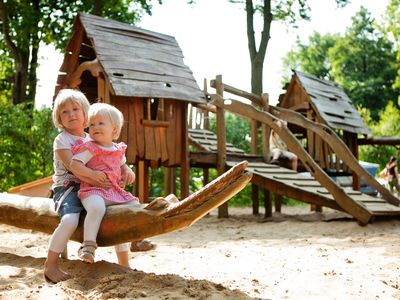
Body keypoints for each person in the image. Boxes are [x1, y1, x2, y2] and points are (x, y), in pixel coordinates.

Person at [44, 90, 153, 284]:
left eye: (76, 109)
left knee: (121, 216)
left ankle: (124, 262)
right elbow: (73, 166)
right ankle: (51, 264)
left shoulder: (92, 137)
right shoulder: (62, 140)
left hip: (95, 188)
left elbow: (113, 156)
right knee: (70, 220)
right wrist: (94, 176)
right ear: (59, 119)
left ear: (86, 114)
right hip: (68, 188)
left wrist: (123, 169)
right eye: (65, 112)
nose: (71, 114)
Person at [69, 102, 140, 265]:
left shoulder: (117, 149)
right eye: (92, 124)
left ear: (114, 130)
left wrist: (128, 172)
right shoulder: (90, 147)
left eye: (100, 123)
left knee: (133, 207)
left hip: (114, 192)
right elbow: (74, 164)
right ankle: (88, 246)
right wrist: (92, 174)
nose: (95, 127)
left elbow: (123, 166)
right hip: (93, 190)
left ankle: (134, 246)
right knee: (97, 208)